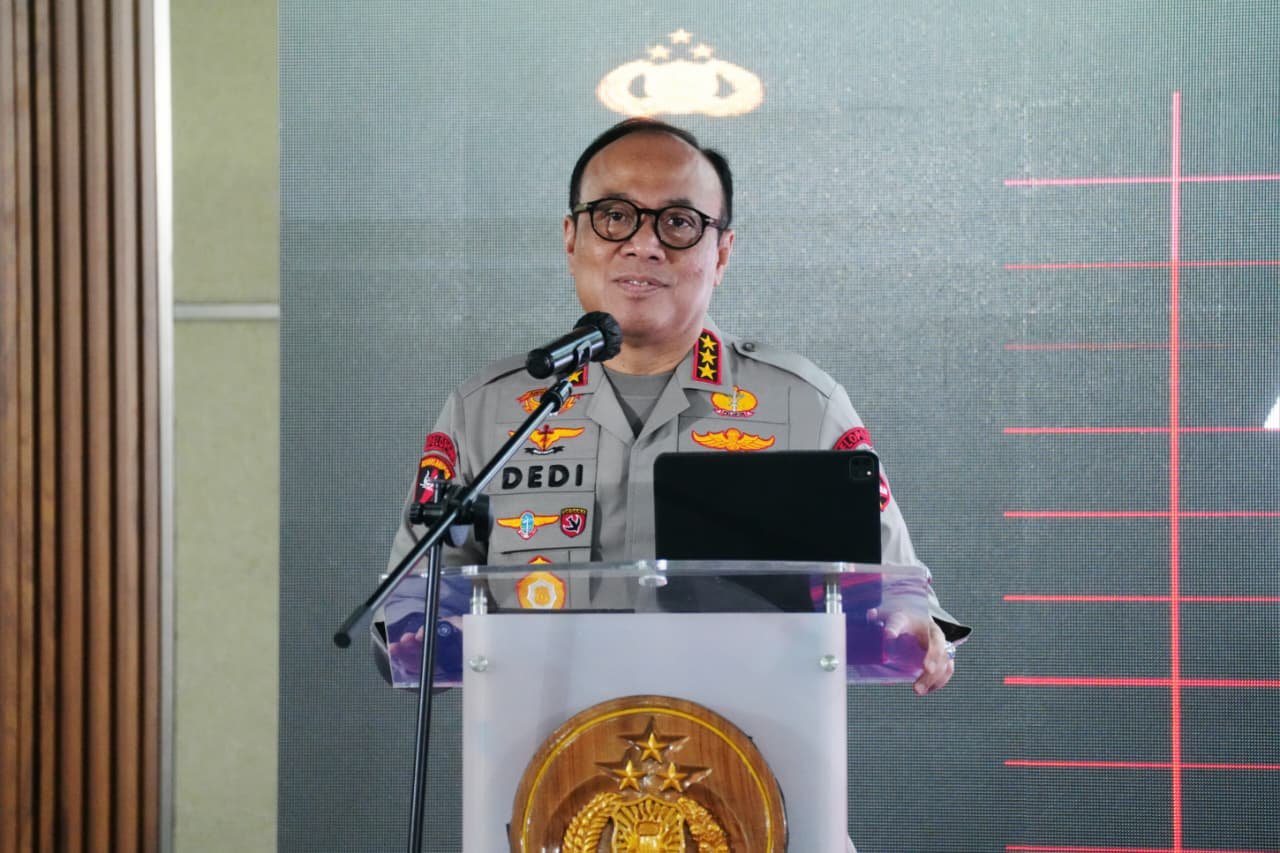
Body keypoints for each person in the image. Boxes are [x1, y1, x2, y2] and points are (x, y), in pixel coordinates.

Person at [378, 119, 967, 697]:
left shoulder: (804, 405)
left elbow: (898, 595)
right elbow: (411, 607)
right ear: (571, 238)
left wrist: (911, 626)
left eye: (679, 223)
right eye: (614, 217)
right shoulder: (488, 410)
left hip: (750, 744)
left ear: (723, 252)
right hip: (540, 745)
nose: (644, 244)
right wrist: (420, 635)